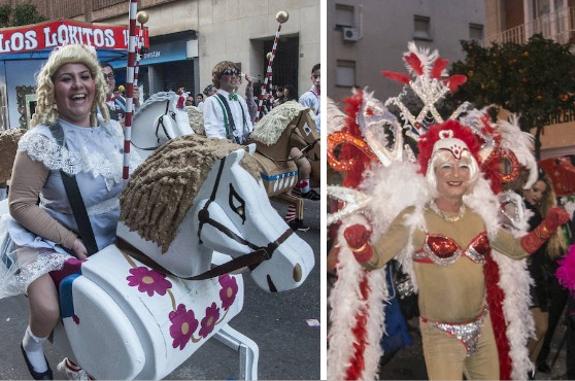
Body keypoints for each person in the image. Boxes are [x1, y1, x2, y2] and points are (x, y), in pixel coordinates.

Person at [341, 120, 570, 380]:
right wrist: (359, 245)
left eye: (463, 167)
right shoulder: (414, 217)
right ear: (433, 173)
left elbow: (517, 249)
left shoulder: (480, 216)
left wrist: (547, 226)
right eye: (447, 167)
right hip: (441, 336)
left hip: (481, 330)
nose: (456, 174)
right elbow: (376, 258)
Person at [0, 45, 137, 380]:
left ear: (96, 84)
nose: (78, 85)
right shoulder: (40, 140)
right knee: (48, 308)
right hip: (52, 235)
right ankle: (32, 344)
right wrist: (69, 239)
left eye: (85, 76)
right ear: (52, 89)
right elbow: (20, 204)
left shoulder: (115, 130)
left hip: (111, 234)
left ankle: (77, 363)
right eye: (66, 78)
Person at [522, 173, 569, 374]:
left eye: (542, 192)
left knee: (542, 329)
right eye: (535, 189)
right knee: (538, 328)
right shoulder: (519, 210)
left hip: (539, 278)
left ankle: (526, 371)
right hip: (525, 278)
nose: (538, 195)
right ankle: (519, 371)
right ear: (524, 186)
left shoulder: (538, 211)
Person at [202, 61, 253, 144]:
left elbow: (248, 125)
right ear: (218, 78)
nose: (234, 76)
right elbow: (212, 131)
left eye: (236, 73)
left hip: (243, 146)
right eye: (228, 73)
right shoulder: (211, 101)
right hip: (224, 149)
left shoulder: (239, 99)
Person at [299, 63, 320, 132]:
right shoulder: (306, 98)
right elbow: (303, 123)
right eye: (315, 77)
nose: (318, 80)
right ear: (311, 78)